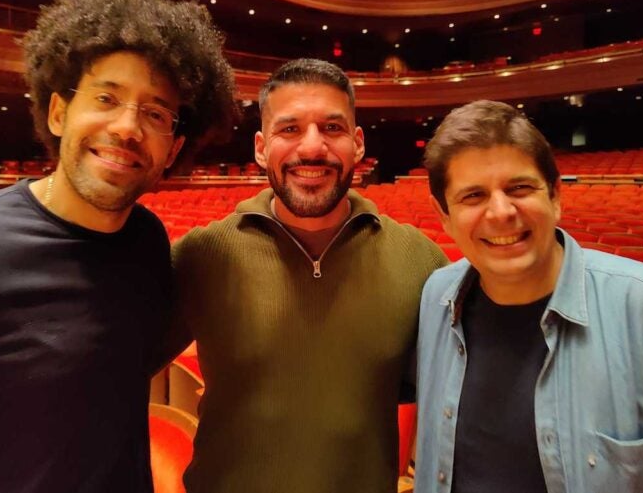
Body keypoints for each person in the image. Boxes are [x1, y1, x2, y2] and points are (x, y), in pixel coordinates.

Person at [0, 0, 235, 493]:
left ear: (172, 150)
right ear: (58, 112)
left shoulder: (146, 242)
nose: (127, 127)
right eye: (107, 97)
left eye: (154, 113)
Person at [172, 58, 448, 493]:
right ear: (261, 147)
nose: (313, 148)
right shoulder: (202, 255)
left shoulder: (419, 260)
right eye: (290, 129)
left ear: (358, 144)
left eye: (333, 128)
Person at [414, 100, 643, 493]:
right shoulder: (435, 298)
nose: (500, 212)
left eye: (519, 188)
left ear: (554, 195)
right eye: (473, 197)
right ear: (444, 216)